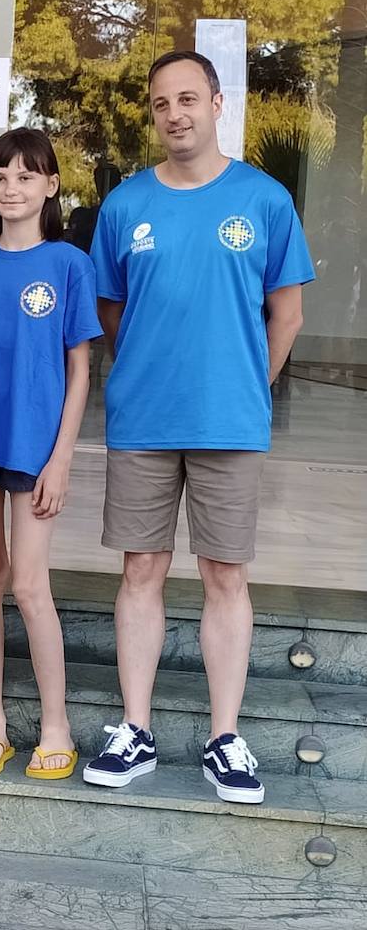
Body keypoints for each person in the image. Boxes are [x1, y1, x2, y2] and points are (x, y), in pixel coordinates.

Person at [83, 51, 314, 805]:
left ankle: (224, 736)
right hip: (144, 417)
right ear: (151, 114)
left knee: (225, 576)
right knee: (141, 571)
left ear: (218, 103)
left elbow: (288, 314)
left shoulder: (266, 198)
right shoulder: (125, 206)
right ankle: (136, 729)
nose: (174, 113)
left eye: (188, 98)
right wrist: (152, 365)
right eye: (160, 103)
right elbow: (111, 311)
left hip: (229, 420)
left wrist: (246, 385)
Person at [0, 127, 101, 780]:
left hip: (35, 446)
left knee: (30, 584)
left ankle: (55, 725)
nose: (11, 188)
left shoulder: (68, 263)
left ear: (51, 186)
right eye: (0, 177)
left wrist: (62, 457)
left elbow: (81, 369)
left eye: (26, 177)